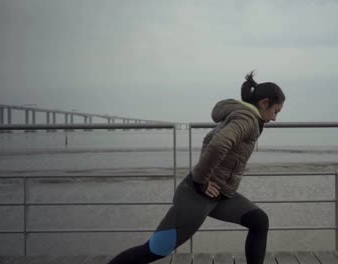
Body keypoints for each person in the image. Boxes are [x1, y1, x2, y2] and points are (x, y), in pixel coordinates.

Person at [108, 71, 285, 264]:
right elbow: (218, 144)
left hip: (219, 195)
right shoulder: (247, 120)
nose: (275, 118)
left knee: (259, 221)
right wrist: (200, 181)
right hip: (197, 196)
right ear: (264, 103)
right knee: (155, 250)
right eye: (276, 111)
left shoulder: (243, 116)